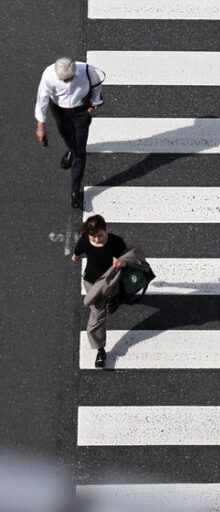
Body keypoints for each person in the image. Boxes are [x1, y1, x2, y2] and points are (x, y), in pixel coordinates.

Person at [35, 57, 104, 209]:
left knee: (80, 151)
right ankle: (71, 150)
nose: (66, 82)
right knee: (67, 137)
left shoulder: (87, 70)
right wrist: (41, 126)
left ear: (74, 72)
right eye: (63, 80)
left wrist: (92, 108)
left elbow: (97, 87)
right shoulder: (48, 75)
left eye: (69, 79)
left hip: (81, 112)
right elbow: (42, 99)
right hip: (60, 111)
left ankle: (75, 190)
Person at [71, 215, 126, 368]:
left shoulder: (116, 242)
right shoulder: (85, 241)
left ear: (105, 230)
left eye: (100, 236)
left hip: (111, 280)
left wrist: (122, 262)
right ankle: (100, 350)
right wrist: (75, 256)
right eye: (93, 237)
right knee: (97, 315)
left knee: (116, 292)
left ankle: (116, 299)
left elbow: (128, 256)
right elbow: (78, 250)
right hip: (92, 283)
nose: (97, 240)